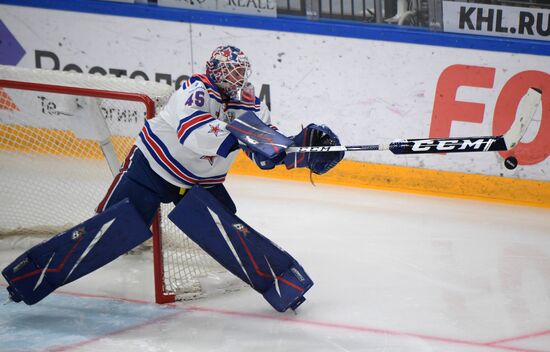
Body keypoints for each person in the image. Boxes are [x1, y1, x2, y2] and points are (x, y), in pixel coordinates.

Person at [2, 45, 344, 309]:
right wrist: (243, 135)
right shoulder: (194, 91)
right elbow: (195, 136)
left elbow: (264, 150)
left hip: (199, 182)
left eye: (241, 72)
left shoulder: (250, 102)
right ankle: (28, 279)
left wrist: (295, 152)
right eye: (231, 73)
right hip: (150, 169)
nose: (237, 80)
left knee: (229, 231)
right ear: (214, 72)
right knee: (108, 230)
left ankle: (284, 285)